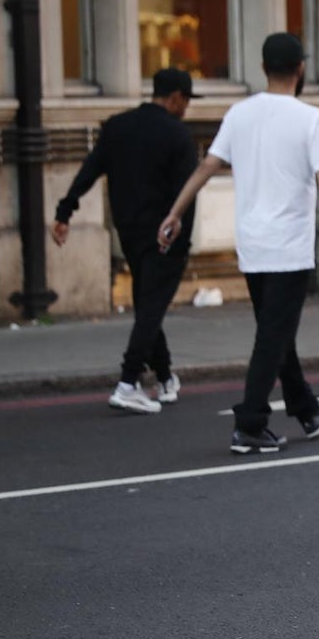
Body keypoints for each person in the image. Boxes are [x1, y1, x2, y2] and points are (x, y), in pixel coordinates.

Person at [158, 32, 319, 455]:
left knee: (276, 332)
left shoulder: (239, 114)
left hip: (251, 245)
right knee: (272, 337)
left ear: (263, 69)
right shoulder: (312, 119)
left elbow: (207, 166)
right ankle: (250, 422)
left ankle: (306, 408)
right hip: (288, 247)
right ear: (300, 69)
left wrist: (175, 212)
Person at [51, 67, 200, 415]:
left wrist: (65, 210)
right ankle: (128, 382)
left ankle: (165, 378)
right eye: (187, 100)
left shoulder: (117, 126)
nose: (187, 108)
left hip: (130, 230)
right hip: (166, 234)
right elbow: (187, 193)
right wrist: (180, 236)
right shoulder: (178, 136)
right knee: (151, 307)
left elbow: (90, 169)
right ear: (176, 97)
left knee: (149, 302)